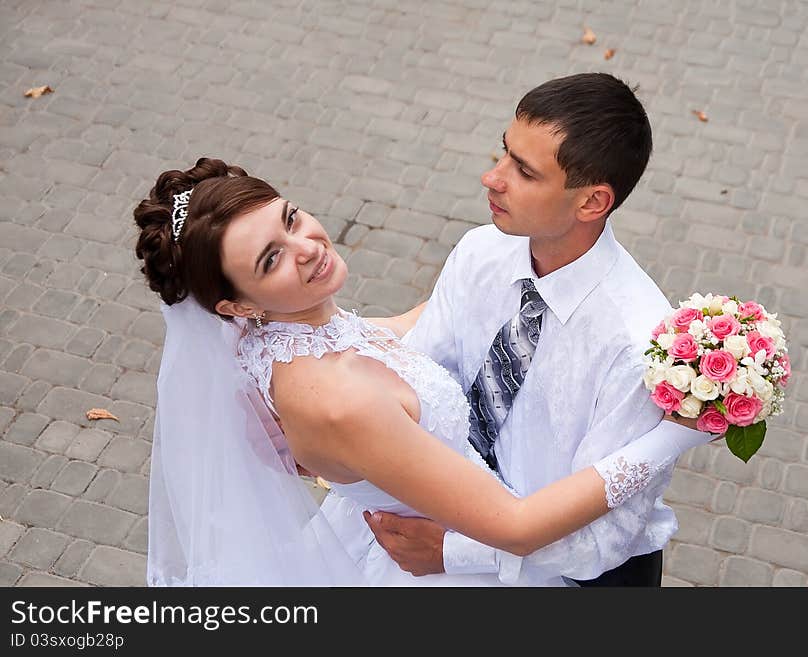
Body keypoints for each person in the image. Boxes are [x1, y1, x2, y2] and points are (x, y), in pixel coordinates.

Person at [136, 157, 714, 586]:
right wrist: (676, 430)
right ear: (236, 306)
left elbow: (413, 327)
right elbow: (516, 527)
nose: (306, 246)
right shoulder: (338, 400)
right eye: (271, 258)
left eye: (290, 219)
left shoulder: (291, 335)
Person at [365, 72, 702, 586]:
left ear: (592, 202)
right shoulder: (481, 251)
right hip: (450, 510)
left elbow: (604, 540)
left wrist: (452, 552)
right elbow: (425, 372)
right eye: (503, 153)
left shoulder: (638, 346)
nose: (492, 178)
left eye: (524, 171)